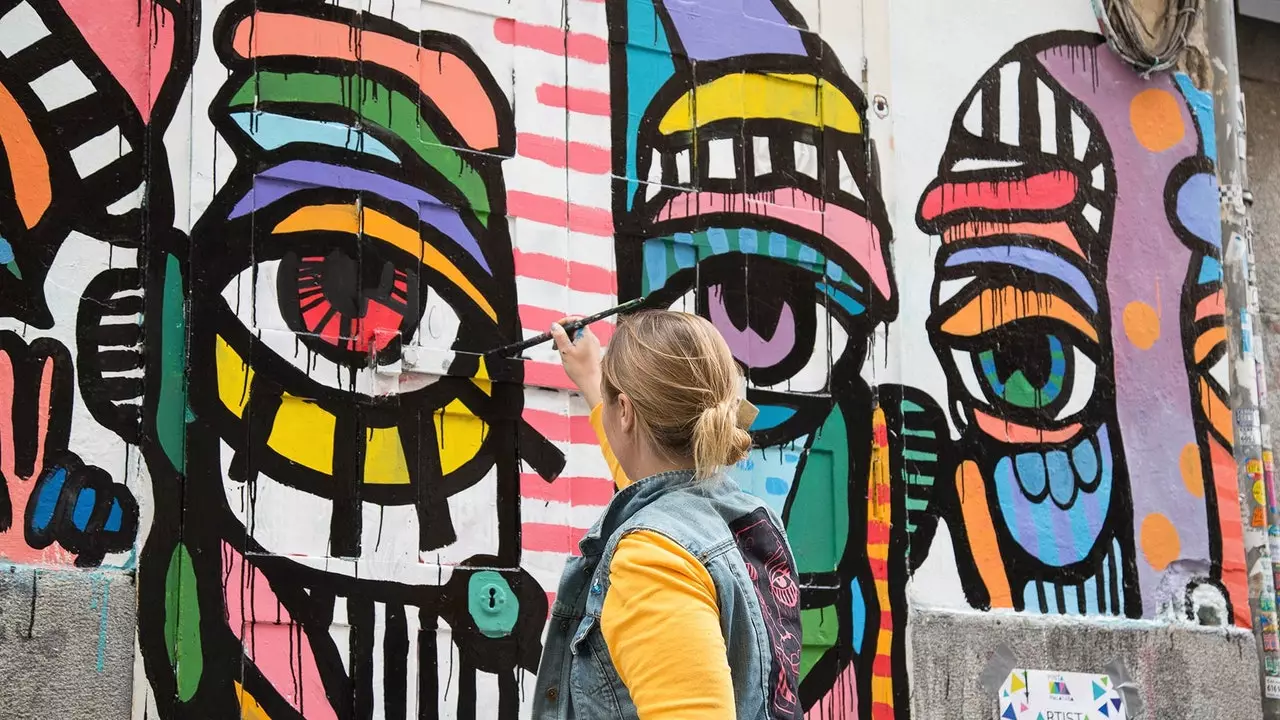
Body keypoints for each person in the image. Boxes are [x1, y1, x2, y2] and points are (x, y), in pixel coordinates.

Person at [531, 309, 804, 720]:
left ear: (624, 411)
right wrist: (591, 378)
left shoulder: (654, 559)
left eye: (611, 403)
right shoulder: (740, 516)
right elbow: (646, 477)